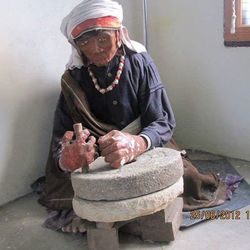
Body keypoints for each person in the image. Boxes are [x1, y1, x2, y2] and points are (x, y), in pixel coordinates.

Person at [38, 0, 224, 233]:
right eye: (85, 41)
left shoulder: (139, 62)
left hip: (143, 141)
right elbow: (60, 137)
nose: (95, 48)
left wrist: (136, 143)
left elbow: (163, 120)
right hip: (96, 154)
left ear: (119, 34)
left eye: (103, 38)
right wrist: (68, 158)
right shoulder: (72, 80)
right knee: (72, 190)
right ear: (76, 46)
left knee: (185, 179)